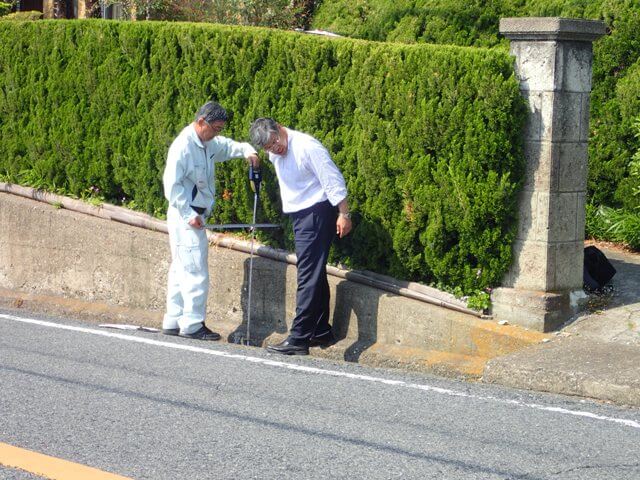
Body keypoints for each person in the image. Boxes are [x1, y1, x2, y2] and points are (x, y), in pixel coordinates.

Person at [249, 118, 352, 355]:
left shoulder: (307, 147)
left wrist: (344, 213)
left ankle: (299, 338)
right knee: (314, 271)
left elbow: (333, 179)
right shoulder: (275, 152)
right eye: (269, 148)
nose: (275, 149)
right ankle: (319, 330)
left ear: (279, 128)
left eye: (275, 142)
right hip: (300, 214)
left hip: (316, 212)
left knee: (307, 273)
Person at [162, 101, 259, 340]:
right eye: (215, 128)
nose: (218, 133)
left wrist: (249, 151)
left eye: (220, 129)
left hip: (190, 215)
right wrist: (189, 215)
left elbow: (227, 147)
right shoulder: (183, 146)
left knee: (180, 269)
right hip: (186, 216)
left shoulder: (208, 143)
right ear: (201, 122)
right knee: (195, 270)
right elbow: (171, 186)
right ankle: (192, 325)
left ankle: (173, 320)